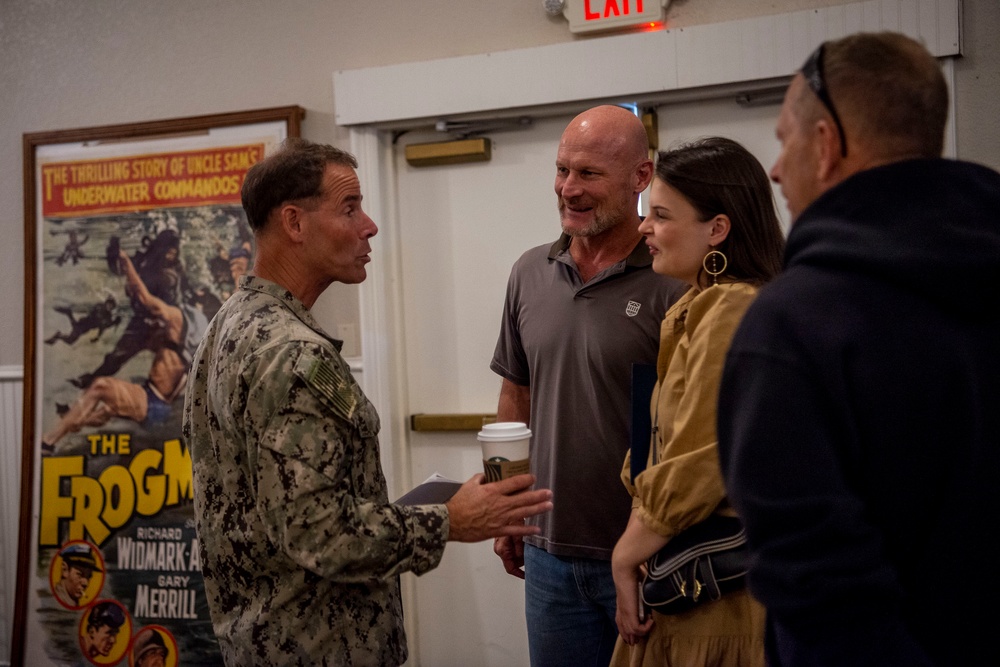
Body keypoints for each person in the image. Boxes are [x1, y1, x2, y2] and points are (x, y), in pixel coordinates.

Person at [183, 137, 554, 667]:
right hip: (320, 646)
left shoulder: (228, 326)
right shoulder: (291, 354)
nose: (369, 226)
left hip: (259, 639)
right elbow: (319, 534)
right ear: (294, 223)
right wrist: (450, 519)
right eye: (349, 208)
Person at [717, 32, 1000, 667]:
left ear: (827, 144)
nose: (775, 167)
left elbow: (823, 600)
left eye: (785, 138)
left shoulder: (794, 326)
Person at [491, 104, 687, 666]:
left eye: (589, 175)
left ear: (640, 178)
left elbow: (692, 429)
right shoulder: (530, 271)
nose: (568, 189)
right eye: (561, 170)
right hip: (549, 559)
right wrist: (507, 506)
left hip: (651, 556)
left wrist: (647, 543)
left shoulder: (672, 278)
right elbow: (515, 397)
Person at [608, 137, 784, 666]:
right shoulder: (696, 308)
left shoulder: (730, 308)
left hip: (717, 603)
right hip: (691, 585)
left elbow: (700, 458)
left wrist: (624, 556)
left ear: (718, 228)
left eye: (660, 216)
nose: (644, 229)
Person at [41, 250, 209, 452]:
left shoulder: (178, 319)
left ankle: (48, 441)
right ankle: (72, 421)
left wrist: (126, 263)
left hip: (153, 404)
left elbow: (145, 297)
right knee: (100, 413)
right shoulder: (192, 334)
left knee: (100, 387)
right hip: (152, 397)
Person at [53, 543, 102, 607]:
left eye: (88, 577)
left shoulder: (70, 601)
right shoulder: (55, 601)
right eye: (80, 574)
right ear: (65, 570)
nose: (85, 583)